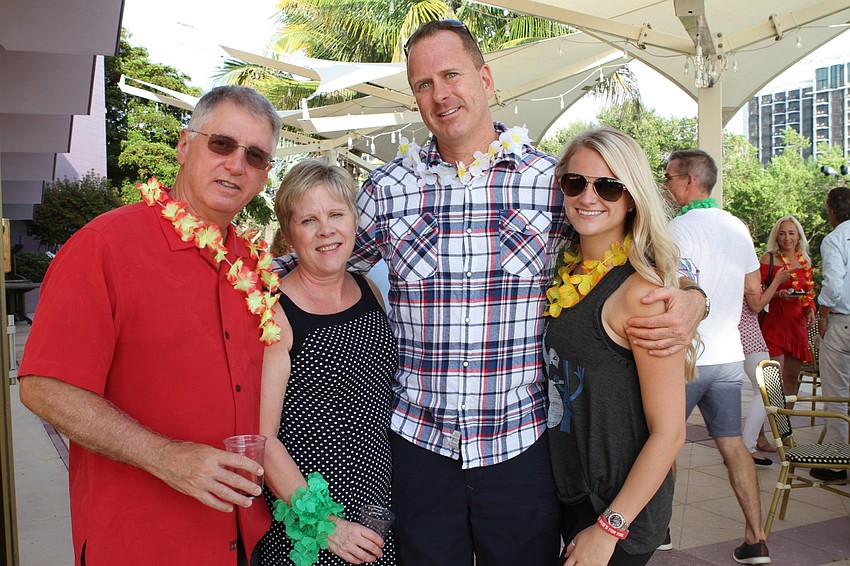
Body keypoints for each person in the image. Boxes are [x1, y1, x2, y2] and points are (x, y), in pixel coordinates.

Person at [275, 20, 706, 566]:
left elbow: (635, 238)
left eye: (451, 74)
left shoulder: (554, 182)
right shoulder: (387, 190)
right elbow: (319, 261)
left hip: (520, 446)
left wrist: (692, 293)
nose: (440, 94)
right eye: (424, 84)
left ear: (484, 78)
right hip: (418, 444)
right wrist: (252, 287)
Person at [17, 86, 282, 566]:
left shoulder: (252, 266)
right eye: (222, 144)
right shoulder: (104, 246)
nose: (236, 164)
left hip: (243, 539)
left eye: (256, 156)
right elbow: (42, 386)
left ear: (264, 175)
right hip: (143, 542)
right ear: (184, 145)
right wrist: (165, 457)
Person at [543, 127, 693, 566]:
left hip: (616, 512)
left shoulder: (641, 295)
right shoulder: (565, 270)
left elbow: (671, 431)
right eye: (576, 182)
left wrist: (610, 527)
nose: (589, 197)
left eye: (608, 186)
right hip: (573, 493)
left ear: (631, 198)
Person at [256, 158, 398, 565]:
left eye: (336, 214)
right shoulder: (277, 311)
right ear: (289, 233)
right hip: (309, 514)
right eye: (309, 220)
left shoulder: (369, 290)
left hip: (375, 504)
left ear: (354, 221)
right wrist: (325, 524)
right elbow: (263, 439)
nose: (326, 231)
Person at [665, 149, 771, 565]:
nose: (667, 184)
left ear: (690, 180)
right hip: (729, 357)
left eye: (670, 177)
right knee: (732, 446)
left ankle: (661, 530)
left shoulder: (678, 228)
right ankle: (756, 539)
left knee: (666, 444)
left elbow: (674, 285)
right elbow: (753, 288)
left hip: (689, 358)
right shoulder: (737, 226)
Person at [812, 186, 850, 483]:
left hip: (843, 323)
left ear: (832, 212)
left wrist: (822, 315)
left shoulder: (836, 238)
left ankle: (838, 461)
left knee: (836, 392)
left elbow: (834, 285)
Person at [759, 216, 816, 398]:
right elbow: (757, 292)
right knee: (772, 380)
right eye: (782, 234)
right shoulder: (768, 259)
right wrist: (778, 294)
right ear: (776, 237)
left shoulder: (804, 261)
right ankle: (771, 422)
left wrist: (810, 310)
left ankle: (785, 425)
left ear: (798, 236)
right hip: (775, 324)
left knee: (791, 378)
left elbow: (808, 293)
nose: (787, 238)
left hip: (796, 325)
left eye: (791, 233)